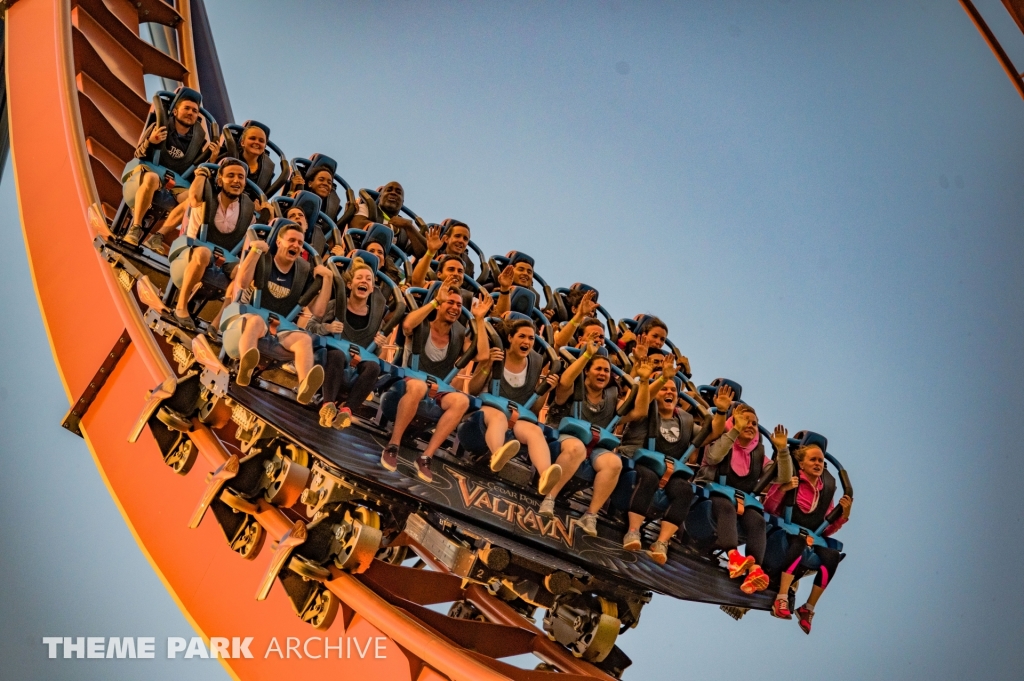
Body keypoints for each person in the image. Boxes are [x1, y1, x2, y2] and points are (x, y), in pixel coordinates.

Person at [380, 276, 492, 483]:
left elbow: (483, 355)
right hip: (408, 382)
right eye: (450, 302)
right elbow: (407, 325)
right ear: (440, 304)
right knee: (418, 387)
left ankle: (426, 456)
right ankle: (393, 445)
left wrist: (479, 320)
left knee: (462, 401)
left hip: (438, 390)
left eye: (459, 305)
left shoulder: (459, 334)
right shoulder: (422, 323)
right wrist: (435, 301)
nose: (455, 308)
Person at [619, 372, 733, 563]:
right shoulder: (644, 408)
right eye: (663, 389)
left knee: (685, 489)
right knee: (649, 478)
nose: (669, 392)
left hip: (667, 469)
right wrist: (659, 379)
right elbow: (641, 401)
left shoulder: (685, 419)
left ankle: (661, 542)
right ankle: (633, 531)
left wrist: (721, 412)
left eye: (673, 390)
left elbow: (712, 433)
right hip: (638, 461)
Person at [543, 341, 654, 535]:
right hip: (563, 436)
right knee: (576, 448)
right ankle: (549, 498)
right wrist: (586, 356)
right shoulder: (574, 388)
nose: (603, 373)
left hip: (595, 447)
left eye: (607, 370)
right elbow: (565, 382)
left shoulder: (610, 399)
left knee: (614, 463)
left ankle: (590, 515)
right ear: (586, 371)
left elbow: (640, 411)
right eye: (598, 369)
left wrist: (643, 381)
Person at [221, 221, 332, 404]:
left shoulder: (302, 271)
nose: (296, 245)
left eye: (300, 243)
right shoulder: (263, 258)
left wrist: (327, 279)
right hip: (247, 317)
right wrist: (255, 251)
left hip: (280, 327)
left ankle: (304, 386)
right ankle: (244, 366)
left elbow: (318, 311)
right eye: (291, 240)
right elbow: (242, 282)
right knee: (256, 322)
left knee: (304, 339)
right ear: (279, 242)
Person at [695, 406, 792, 595]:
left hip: (740, 500)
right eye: (745, 421)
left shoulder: (757, 454)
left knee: (757, 520)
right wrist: (735, 430)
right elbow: (713, 457)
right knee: (727, 509)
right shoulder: (722, 440)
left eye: (754, 423)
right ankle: (733, 557)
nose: (750, 425)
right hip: (711, 492)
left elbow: (783, 478)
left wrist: (782, 450)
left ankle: (754, 570)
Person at [467, 318, 563, 495]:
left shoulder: (535, 362)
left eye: (531, 338)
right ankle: (497, 454)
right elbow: (472, 389)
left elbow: (534, 410)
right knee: (499, 418)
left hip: (517, 415)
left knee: (535, 431)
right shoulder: (497, 353)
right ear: (510, 338)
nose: (527, 342)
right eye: (522, 336)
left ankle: (545, 476)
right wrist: (488, 365)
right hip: (490, 407)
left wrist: (546, 389)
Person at [763, 443, 852, 633]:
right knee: (800, 541)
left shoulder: (825, 492)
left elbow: (826, 530)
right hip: (779, 535)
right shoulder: (792, 478)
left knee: (832, 556)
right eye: (813, 459)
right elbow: (768, 508)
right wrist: (784, 489)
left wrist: (843, 516)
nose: (818, 463)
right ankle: (781, 598)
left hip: (807, 538)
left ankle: (808, 608)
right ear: (801, 464)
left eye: (820, 460)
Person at [165, 159, 255, 329]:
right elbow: (193, 198)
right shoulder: (206, 195)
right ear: (220, 181)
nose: (236, 180)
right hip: (189, 250)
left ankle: (217, 324)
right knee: (203, 253)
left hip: (222, 260)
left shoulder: (247, 210)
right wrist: (201, 173)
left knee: (244, 272)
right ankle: (181, 307)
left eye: (241, 177)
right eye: (230, 176)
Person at [123, 89, 220, 247]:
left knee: (194, 199)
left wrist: (213, 159)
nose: (190, 113)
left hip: (176, 183)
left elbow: (195, 172)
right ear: (175, 111)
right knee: (152, 178)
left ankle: (159, 236)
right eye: (186, 108)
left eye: (194, 111)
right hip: (147, 173)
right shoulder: (159, 125)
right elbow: (138, 154)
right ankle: (135, 227)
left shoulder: (198, 140)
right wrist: (151, 142)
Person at [305, 257, 391, 430]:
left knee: (374, 367)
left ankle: (347, 410)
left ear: (371, 289)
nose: (364, 281)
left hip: (357, 364)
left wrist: (378, 344)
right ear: (350, 285)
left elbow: (374, 354)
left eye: (368, 279)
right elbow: (310, 326)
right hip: (331, 358)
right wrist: (327, 327)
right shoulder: (335, 305)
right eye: (360, 278)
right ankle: (328, 405)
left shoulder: (375, 319)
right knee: (336, 355)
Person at [351, 181, 427, 258]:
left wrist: (408, 226)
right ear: (380, 197)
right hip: (362, 257)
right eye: (389, 190)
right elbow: (356, 226)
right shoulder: (367, 208)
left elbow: (425, 253)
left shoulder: (406, 224)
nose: (393, 193)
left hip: (390, 263)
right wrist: (393, 228)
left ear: (402, 202)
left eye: (398, 192)